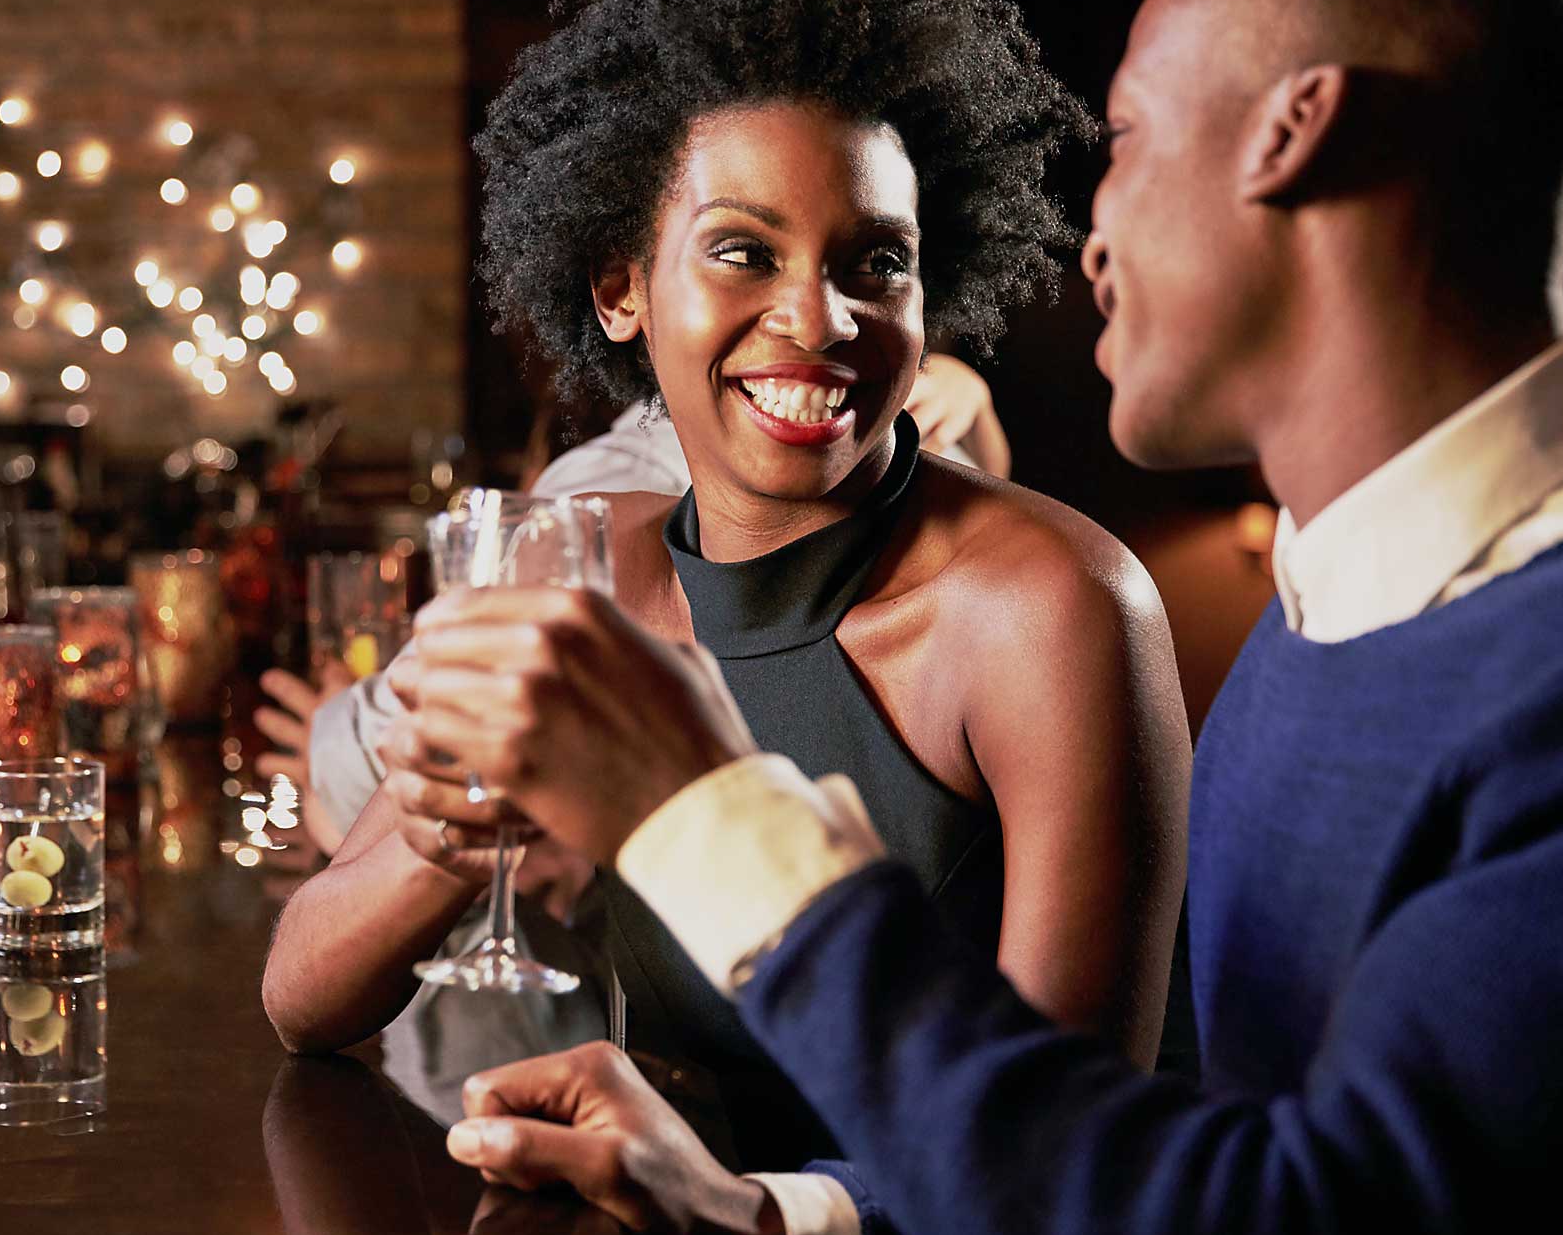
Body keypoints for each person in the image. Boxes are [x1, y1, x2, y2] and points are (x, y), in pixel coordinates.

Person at [397, 0, 1563, 1235]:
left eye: (1136, 139)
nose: (1091, 241)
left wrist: (711, 818)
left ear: (1296, 133)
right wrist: (763, 1216)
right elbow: (1156, 1169)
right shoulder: (1335, 614)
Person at [265, 0, 1193, 1186]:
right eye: (745, 253)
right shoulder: (583, 556)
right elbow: (303, 1002)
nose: (820, 321)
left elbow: (1063, 1169)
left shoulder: (1050, 605)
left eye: (877, 262)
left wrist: (747, 1219)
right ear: (622, 288)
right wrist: (447, 834)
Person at [256, 349, 1011, 857]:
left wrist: (333, 744)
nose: (812, 316)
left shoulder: (598, 490)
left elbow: (381, 780)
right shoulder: (910, 439)